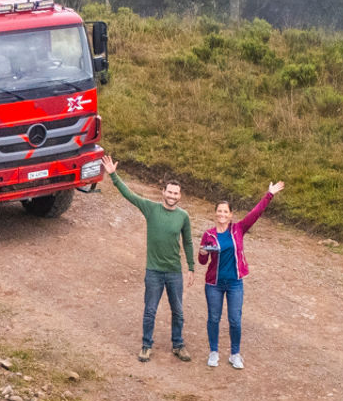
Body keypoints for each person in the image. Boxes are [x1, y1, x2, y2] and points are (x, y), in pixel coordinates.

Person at [106, 157, 194, 362]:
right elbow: (130, 195)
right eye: (169, 192)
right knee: (150, 311)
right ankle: (146, 345)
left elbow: (188, 242)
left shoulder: (183, 216)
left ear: (179, 196)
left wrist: (190, 267)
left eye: (176, 193)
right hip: (153, 270)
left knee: (178, 311)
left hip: (174, 272)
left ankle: (178, 344)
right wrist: (113, 175)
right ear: (163, 192)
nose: (172, 196)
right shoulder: (151, 208)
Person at [198, 181, 285, 369]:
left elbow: (255, 214)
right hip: (214, 283)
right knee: (214, 318)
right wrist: (202, 254)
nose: (222, 214)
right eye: (219, 211)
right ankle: (214, 352)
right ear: (215, 213)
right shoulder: (208, 234)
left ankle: (235, 354)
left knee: (235, 320)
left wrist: (269, 194)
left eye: (225, 211)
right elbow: (203, 262)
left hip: (235, 283)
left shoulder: (238, 229)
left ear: (231, 215)